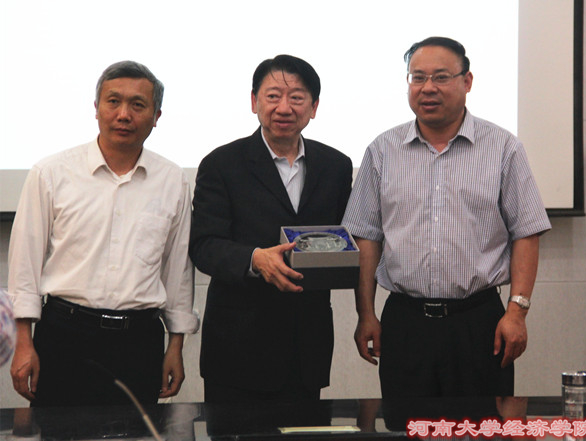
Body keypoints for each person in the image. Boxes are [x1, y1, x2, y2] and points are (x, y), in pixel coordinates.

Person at [343, 37, 551, 398]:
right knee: (405, 424)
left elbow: (526, 232)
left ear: (466, 81)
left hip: (479, 322)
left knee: (481, 423)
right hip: (404, 322)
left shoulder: (503, 147)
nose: (428, 88)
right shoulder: (382, 151)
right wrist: (366, 314)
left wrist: (517, 312)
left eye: (440, 77)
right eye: (418, 77)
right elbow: (366, 238)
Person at [8, 60, 199, 406]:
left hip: (139, 341)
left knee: (138, 430)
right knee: (58, 429)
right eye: (113, 101)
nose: (124, 114)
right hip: (65, 334)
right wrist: (24, 341)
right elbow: (25, 264)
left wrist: (176, 345)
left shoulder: (172, 180)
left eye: (138, 105)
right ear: (96, 108)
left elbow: (178, 272)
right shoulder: (51, 173)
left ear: (156, 116)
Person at [189, 54, 353, 403]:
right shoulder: (221, 164)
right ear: (254, 102)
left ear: (314, 107)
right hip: (238, 347)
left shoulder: (336, 166)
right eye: (273, 96)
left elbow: (345, 240)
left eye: (297, 97)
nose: (284, 107)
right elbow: (203, 245)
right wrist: (254, 259)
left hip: (306, 345)